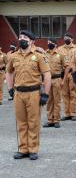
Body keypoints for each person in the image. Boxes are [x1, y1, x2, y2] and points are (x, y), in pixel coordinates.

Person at [6, 30, 51, 160]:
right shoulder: (13, 56)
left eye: (25, 37)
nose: (22, 39)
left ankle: (33, 149)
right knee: (21, 122)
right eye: (20, 37)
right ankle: (23, 149)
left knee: (33, 122)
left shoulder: (39, 56)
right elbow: (9, 72)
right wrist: (9, 88)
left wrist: (45, 94)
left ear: (32, 41)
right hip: (19, 93)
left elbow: (47, 75)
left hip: (34, 93)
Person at [43, 38, 70, 128]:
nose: (49, 44)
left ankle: (56, 120)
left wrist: (64, 80)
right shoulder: (44, 54)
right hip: (47, 80)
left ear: (55, 44)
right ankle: (50, 120)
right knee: (49, 100)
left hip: (57, 79)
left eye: (51, 42)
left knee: (57, 100)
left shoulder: (61, 54)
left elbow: (67, 67)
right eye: (48, 42)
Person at [58, 32, 76, 121]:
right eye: (65, 37)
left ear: (72, 39)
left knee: (73, 93)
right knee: (64, 94)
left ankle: (72, 113)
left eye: (68, 37)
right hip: (63, 74)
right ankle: (66, 113)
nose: (66, 38)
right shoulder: (59, 49)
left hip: (73, 72)